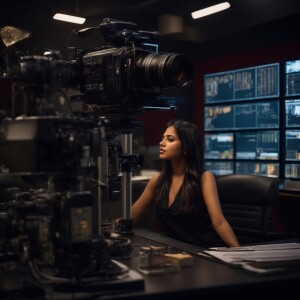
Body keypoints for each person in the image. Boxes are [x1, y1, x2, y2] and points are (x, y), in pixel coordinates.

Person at [131, 119, 240, 248]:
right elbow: (130, 218)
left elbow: (219, 222)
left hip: (204, 252)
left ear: (186, 148)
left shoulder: (204, 178)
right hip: (175, 253)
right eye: (163, 138)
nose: (162, 143)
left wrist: (239, 253)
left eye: (170, 139)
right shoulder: (157, 181)